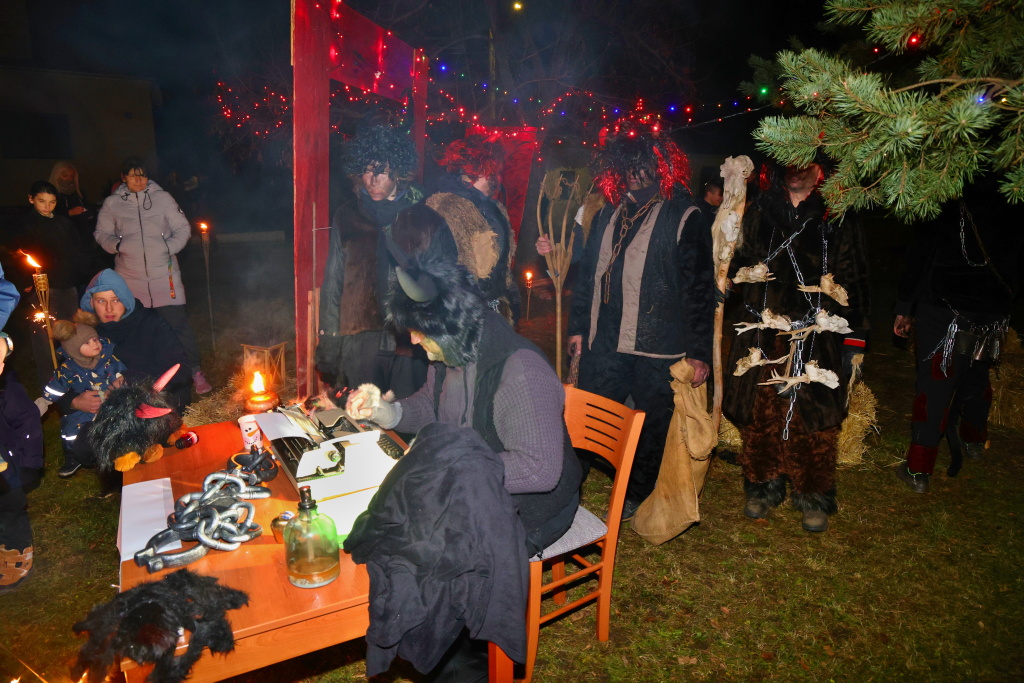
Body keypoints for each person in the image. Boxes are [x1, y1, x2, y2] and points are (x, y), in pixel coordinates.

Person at [346, 254, 582, 557]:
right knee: (388, 523)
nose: (414, 341)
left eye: (420, 331)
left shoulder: (521, 372)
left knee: (419, 551)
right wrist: (387, 412)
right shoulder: (452, 349)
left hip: (531, 510)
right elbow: (431, 406)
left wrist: (449, 469)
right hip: (474, 483)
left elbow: (539, 470)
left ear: (447, 325)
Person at [566, 124, 716, 521]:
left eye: (642, 165)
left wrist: (698, 352)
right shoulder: (607, 214)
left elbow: (700, 289)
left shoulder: (685, 216)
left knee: (650, 425)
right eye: (626, 166)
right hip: (604, 340)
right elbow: (587, 277)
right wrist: (578, 328)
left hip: (658, 346)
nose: (634, 174)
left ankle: (637, 491)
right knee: (589, 414)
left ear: (661, 166)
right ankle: (567, 487)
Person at [722, 162, 869, 532]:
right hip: (762, 332)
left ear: (820, 168)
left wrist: (854, 336)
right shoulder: (759, 210)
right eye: (790, 163)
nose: (797, 171)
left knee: (813, 419)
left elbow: (854, 275)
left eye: (806, 164)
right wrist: (726, 275)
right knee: (760, 414)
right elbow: (738, 261)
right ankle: (761, 486)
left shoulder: (836, 213)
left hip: (816, 334)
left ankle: (813, 495)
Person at [892, 177, 1024, 492]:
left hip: (945, 306)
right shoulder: (1015, 190)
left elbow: (921, 251)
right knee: (977, 372)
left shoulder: (946, 189)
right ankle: (974, 439)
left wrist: (905, 305)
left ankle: (919, 468)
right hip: (992, 308)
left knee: (936, 382)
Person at [315, 126, 438, 400]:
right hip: (359, 339)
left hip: (409, 341)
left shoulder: (426, 219)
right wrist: (330, 338)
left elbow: (442, 284)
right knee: (360, 415)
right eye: (366, 171)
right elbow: (333, 281)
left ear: (399, 172)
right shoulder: (347, 215)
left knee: (407, 416)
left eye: (381, 172)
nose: (372, 180)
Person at [54, 269, 189, 479]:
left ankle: (141, 451)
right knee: (83, 449)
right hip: (107, 411)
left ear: (125, 299)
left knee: (143, 436)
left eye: (115, 300)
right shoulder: (84, 333)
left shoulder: (150, 323)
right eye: (101, 301)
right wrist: (74, 402)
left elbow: (180, 369)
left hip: (149, 402)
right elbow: (62, 379)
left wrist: (130, 381)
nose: (109, 308)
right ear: (91, 303)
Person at [95, 158, 209, 394]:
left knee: (177, 325)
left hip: (164, 276)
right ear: (123, 177)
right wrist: (118, 246)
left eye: (143, 175)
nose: (139, 180)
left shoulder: (163, 198)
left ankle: (195, 372)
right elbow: (101, 233)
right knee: (136, 329)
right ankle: (138, 377)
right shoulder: (113, 203)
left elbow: (182, 228)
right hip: (130, 277)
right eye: (133, 175)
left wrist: (168, 247)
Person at [6, 180, 94, 390]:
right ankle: (50, 384)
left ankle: (76, 377)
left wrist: (80, 273)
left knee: (71, 332)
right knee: (44, 337)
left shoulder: (63, 223)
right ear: (31, 199)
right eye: (42, 201)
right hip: (43, 288)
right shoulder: (26, 225)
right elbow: (19, 255)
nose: (47, 207)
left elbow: (77, 251)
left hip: (67, 285)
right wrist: (25, 280)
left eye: (52, 202)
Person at [427, 135, 521, 323]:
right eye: (492, 174)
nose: (497, 179)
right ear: (477, 172)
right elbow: (442, 268)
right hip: (461, 315)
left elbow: (501, 264)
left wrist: (510, 298)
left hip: (493, 311)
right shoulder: (446, 207)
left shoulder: (494, 207)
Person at [0, 264, 42, 591]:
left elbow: (27, 421)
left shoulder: (8, 393)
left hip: (6, 474)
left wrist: (28, 464)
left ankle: (16, 556)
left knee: (9, 510)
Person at [44, 311, 126, 477]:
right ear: (74, 350)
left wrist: (121, 381)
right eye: (87, 342)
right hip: (86, 405)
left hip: (110, 401)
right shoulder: (68, 369)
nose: (95, 344)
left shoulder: (108, 358)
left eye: (95, 339)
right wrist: (47, 398)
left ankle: (121, 449)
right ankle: (72, 455)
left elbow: (122, 373)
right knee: (71, 426)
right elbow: (56, 386)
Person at [49, 161, 97, 244]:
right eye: (65, 176)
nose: (68, 179)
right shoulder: (51, 194)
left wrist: (89, 212)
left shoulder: (78, 193)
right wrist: (69, 213)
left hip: (82, 236)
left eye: (71, 176)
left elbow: (87, 206)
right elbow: (49, 216)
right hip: (62, 237)